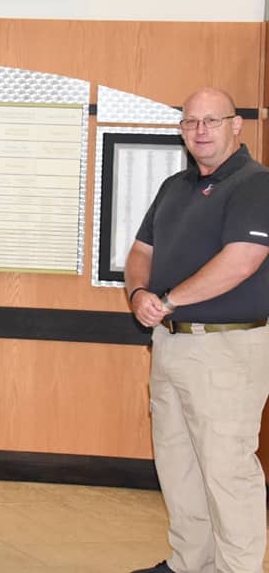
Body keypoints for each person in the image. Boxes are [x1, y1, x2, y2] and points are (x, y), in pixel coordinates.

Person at [125, 87, 269, 573]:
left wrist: (167, 300)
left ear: (236, 125)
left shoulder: (256, 184)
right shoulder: (174, 187)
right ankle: (190, 563)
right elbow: (141, 251)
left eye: (211, 120)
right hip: (170, 343)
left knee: (227, 472)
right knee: (178, 464)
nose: (200, 131)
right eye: (190, 122)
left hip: (228, 348)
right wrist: (138, 294)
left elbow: (242, 261)